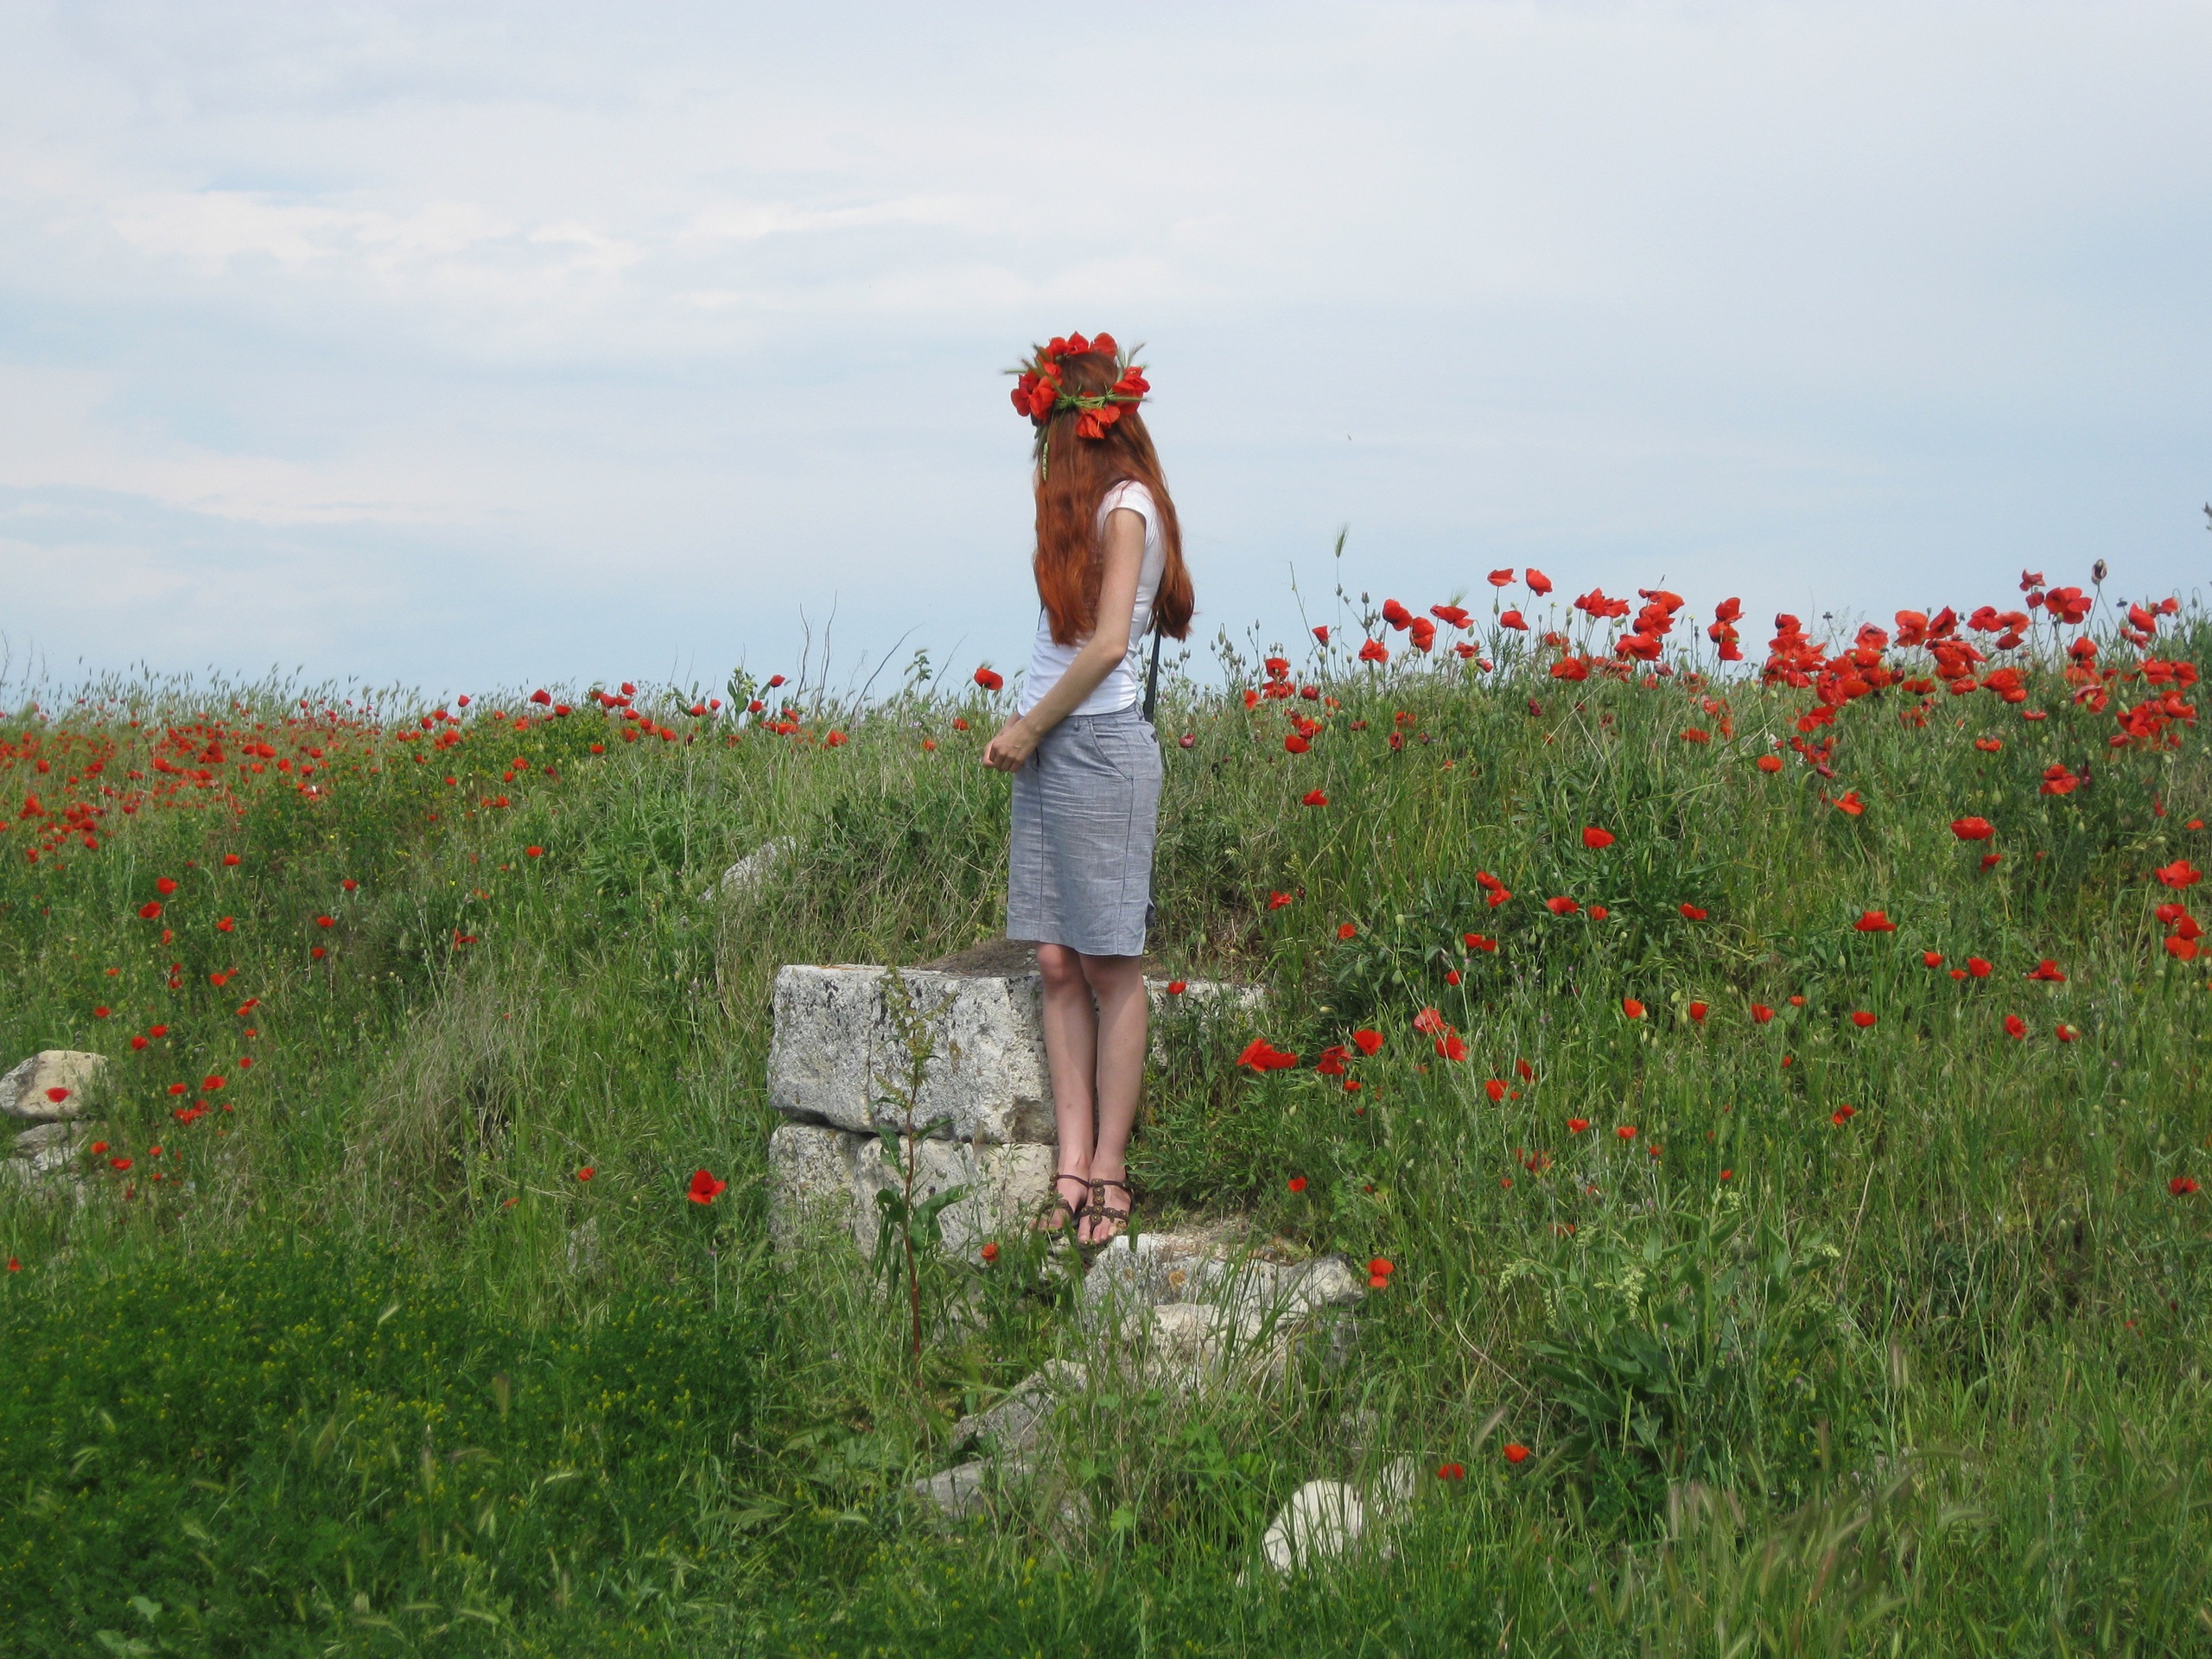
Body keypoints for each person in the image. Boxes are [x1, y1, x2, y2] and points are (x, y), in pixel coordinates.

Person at [983, 332, 1194, 1245]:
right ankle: (1070, 1161)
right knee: (1057, 961)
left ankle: (1109, 1167)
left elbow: (1110, 645)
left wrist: (1030, 726)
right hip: (1054, 744)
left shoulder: (1126, 506)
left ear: (1075, 430)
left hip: (1099, 745)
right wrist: (1032, 728)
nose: (1042, 453)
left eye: (1047, 434)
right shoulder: (1083, 515)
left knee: (1109, 962)